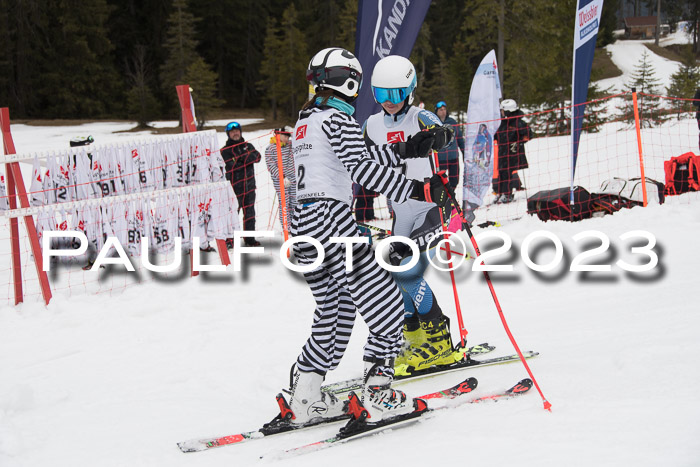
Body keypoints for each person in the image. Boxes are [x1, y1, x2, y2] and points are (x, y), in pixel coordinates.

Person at [285, 47, 449, 426]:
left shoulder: (308, 121)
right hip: (332, 222)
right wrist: (419, 189)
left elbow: (356, 155)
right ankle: (378, 392)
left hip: (305, 226)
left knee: (336, 311)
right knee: (388, 304)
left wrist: (410, 148)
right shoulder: (338, 121)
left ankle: (306, 395)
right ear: (350, 81)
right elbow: (363, 169)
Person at [363, 55, 456, 378]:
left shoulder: (420, 116)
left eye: (396, 94)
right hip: (399, 208)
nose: (389, 103)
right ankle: (415, 336)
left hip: (430, 206)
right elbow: (361, 161)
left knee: (406, 272)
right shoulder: (372, 125)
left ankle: (440, 339)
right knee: (392, 273)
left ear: (411, 91)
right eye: (381, 95)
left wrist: (437, 137)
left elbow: (445, 133)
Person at [220, 121, 262, 246]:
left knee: (250, 215)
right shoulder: (224, 151)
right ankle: (229, 240)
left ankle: (249, 240)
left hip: (249, 188)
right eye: (232, 132)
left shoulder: (248, 145)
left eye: (237, 131)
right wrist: (245, 158)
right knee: (232, 216)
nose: (235, 133)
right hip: (233, 189)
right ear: (228, 134)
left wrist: (241, 158)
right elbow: (231, 166)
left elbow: (257, 157)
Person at [494, 99, 532, 204]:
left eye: (502, 110)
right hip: (502, 151)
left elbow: (528, 134)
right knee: (501, 172)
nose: (500, 112)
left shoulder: (518, 122)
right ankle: (501, 193)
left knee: (507, 173)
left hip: (512, 151)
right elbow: (496, 135)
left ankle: (507, 194)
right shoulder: (501, 123)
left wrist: (519, 141)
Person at [264, 128, 295, 230]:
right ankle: (287, 227)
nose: (287, 138)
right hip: (280, 180)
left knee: (294, 202)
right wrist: (282, 177)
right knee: (284, 202)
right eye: (284, 136)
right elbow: (271, 165)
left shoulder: (290, 145)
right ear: (277, 134)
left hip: (294, 179)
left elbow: (297, 140)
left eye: (288, 136)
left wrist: (292, 132)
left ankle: (296, 225)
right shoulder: (271, 148)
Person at [434, 101, 464, 191]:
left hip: (453, 156)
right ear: (436, 111)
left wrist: (464, 152)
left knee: (454, 180)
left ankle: (452, 198)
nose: (443, 111)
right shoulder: (433, 123)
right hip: (440, 158)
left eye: (444, 109)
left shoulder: (452, 122)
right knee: (440, 181)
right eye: (440, 110)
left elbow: (460, 138)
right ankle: (443, 200)